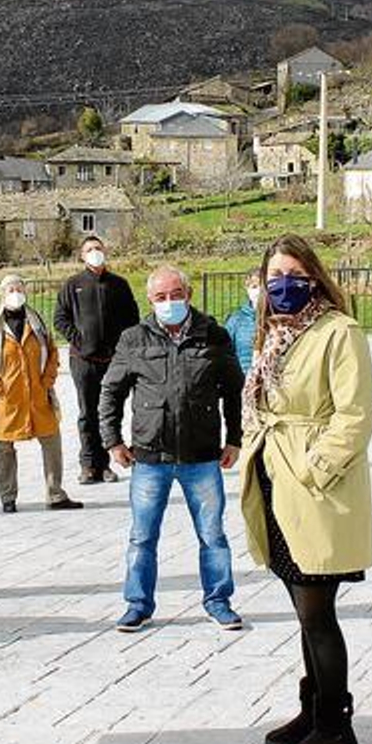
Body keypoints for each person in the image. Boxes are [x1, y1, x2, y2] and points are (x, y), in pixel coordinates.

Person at [241, 234, 372, 744]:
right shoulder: (272, 334)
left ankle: (335, 725)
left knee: (318, 611)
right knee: (303, 608)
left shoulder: (338, 331)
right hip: (277, 479)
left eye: (295, 274)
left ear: (315, 276)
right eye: (275, 276)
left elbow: (356, 413)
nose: (284, 284)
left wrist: (317, 466)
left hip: (316, 485)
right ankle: (312, 707)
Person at [99, 265, 245, 633]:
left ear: (189, 294)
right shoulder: (134, 338)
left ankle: (218, 601)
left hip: (201, 455)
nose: (169, 302)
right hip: (150, 457)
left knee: (212, 534)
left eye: (176, 295)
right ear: (150, 301)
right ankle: (138, 604)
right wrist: (112, 441)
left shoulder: (214, 335)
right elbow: (111, 392)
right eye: (161, 297)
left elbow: (234, 392)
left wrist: (235, 438)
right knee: (142, 536)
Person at [0, 275, 84, 514]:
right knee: (4, 448)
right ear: (2, 295)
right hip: (7, 399)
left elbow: (53, 354)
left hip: (38, 396)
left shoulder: (37, 323)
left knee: (52, 442)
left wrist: (47, 381)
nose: (15, 292)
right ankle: (8, 496)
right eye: (10, 289)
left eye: (19, 288)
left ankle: (55, 494)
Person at [54, 234, 141, 485]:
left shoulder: (119, 284)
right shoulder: (73, 285)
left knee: (111, 410)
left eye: (98, 248)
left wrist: (122, 347)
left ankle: (108, 464)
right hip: (83, 360)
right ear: (82, 256)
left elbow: (132, 319)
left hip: (114, 360)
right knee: (87, 412)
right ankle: (89, 463)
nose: (95, 252)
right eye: (90, 249)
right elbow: (60, 319)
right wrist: (79, 340)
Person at [222, 268, 261, 373]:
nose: (259, 291)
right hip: (243, 383)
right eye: (254, 287)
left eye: (263, 287)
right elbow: (224, 354)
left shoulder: (279, 319)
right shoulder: (236, 320)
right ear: (247, 288)